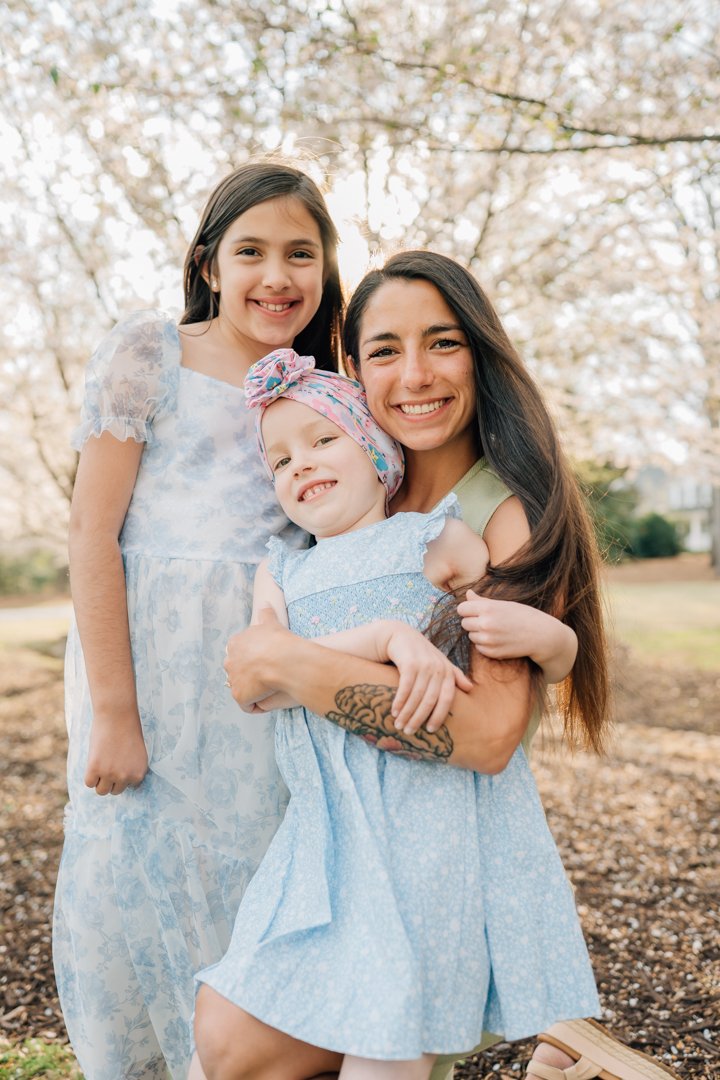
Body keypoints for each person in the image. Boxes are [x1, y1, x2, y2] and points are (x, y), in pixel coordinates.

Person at [219, 252, 679, 1080]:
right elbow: (248, 670)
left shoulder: (498, 510)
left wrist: (292, 659)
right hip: (335, 834)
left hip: (432, 849)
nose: (417, 374)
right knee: (223, 1036)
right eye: (387, 350)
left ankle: (559, 1037)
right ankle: (561, 1047)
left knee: (241, 1050)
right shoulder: (349, 487)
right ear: (354, 371)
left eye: (444, 342)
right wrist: (279, 656)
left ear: (481, 354)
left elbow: (489, 734)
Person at [189, 348, 598, 1080]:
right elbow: (261, 675)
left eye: (322, 441)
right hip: (327, 836)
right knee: (236, 999)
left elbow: (505, 642)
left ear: (376, 452)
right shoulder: (279, 570)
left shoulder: (433, 539)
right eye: (280, 461)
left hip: (426, 824)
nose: (301, 466)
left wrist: (560, 645)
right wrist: (386, 638)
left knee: (392, 1036)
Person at [52, 161, 344, 1080]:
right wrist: (116, 715)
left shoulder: (319, 384)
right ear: (209, 263)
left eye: (302, 253)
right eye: (252, 251)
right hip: (147, 679)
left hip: (259, 685)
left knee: (250, 887)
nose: (278, 276)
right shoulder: (151, 352)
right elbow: (94, 535)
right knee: (128, 887)